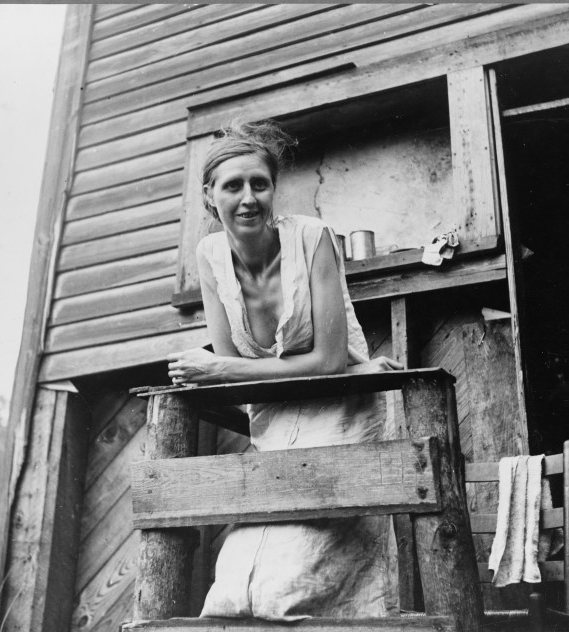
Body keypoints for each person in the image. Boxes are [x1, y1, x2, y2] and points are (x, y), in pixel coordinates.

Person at [167, 121, 401, 620]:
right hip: (273, 424)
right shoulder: (210, 257)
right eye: (233, 186)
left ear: (273, 189)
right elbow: (239, 367)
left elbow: (329, 361)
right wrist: (216, 371)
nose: (249, 198)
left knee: (290, 586)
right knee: (232, 593)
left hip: (340, 411)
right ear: (210, 198)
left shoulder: (312, 239)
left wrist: (219, 368)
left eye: (260, 183)